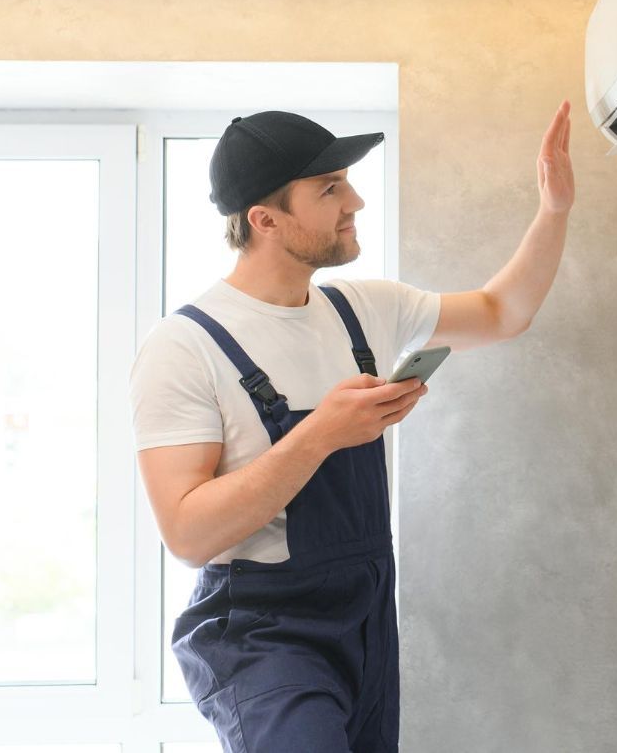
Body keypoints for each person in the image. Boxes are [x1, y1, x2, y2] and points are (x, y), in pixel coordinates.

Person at [128, 102, 574, 752]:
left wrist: (554, 210)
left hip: (364, 618)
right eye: (330, 188)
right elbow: (189, 533)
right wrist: (322, 434)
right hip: (262, 635)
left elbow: (503, 312)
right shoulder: (184, 346)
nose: (356, 200)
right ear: (265, 219)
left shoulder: (363, 309)